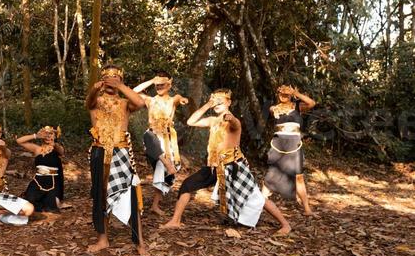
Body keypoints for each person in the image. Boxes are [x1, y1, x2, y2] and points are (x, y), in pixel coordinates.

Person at [161, 90, 291, 234]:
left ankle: (285, 224)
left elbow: (234, 123)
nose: (216, 103)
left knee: (256, 197)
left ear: (228, 102)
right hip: (214, 167)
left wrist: (230, 117)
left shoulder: (232, 121)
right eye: (214, 100)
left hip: (233, 166)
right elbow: (190, 121)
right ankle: (175, 221)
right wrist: (207, 105)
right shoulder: (213, 121)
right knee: (187, 185)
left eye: (220, 101)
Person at [86, 65, 148, 255]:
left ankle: (140, 243)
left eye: (115, 77)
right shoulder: (96, 101)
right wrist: (96, 88)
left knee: (130, 194)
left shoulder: (124, 103)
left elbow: (140, 103)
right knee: (100, 195)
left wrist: (121, 86)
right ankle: (102, 239)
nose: (111, 80)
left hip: (121, 151)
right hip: (98, 151)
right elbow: (88, 102)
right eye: (107, 77)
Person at [134, 71, 189, 215]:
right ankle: (166, 163)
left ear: (169, 84)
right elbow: (134, 92)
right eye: (157, 85)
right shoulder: (150, 100)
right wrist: (152, 80)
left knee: (162, 170)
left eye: (162, 85)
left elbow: (180, 98)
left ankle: (155, 205)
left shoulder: (173, 99)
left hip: (168, 139)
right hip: (153, 137)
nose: (159, 87)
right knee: (162, 165)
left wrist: (183, 100)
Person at [263, 84, 316, 215]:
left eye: (287, 94)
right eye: (281, 93)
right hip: (279, 145)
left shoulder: (297, 106)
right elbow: (272, 110)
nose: (284, 96)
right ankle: (259, 204)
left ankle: (307, 209)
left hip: (294, 145)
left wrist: (296, 93)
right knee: (272, 174)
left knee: (298, 176)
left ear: (291, 95)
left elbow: (311, 103)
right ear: (278, 94)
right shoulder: (274, 108)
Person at [16, 126, 69, 216]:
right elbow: (19, 141)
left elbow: (61, 151)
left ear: (55, 136)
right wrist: (36, 136)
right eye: (46, 134)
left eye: (51, 134)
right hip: (38, 181)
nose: (48, 136)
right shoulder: (37, 149)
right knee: (29, 203)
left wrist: (53, 143)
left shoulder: (57, 149)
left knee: (53, 205)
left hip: (52, 182)